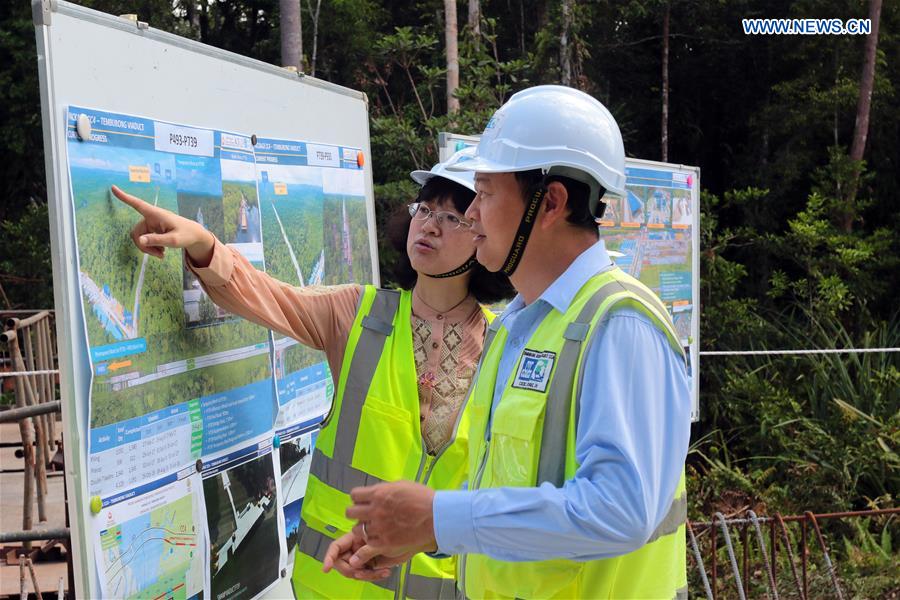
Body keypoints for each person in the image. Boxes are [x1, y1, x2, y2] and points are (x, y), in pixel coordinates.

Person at [326, 85, 692, 599]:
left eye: (486, 192)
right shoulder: (516, 327)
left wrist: (440, 518)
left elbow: (620, 511)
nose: (471, 213)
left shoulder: (620, 324)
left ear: (552, 202)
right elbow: (507, 490)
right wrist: (422, 533)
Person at [112, 148, 513, 599]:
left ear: (484, 235)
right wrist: (203, 243)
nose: (430, 225)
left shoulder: (506, 344)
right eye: (425, 209)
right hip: (337, 587)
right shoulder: (359, 313)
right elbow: (269, 296)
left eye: (453, 217)